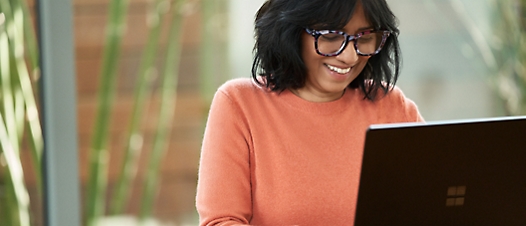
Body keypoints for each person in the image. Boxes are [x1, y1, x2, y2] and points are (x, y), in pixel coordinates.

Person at [196, 0, 425, 225]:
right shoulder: (239, 104)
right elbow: (221, 221)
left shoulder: (392, 106)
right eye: (331, 36)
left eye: (364, 38)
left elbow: (435, 202)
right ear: (290, 32)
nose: (350, 57)